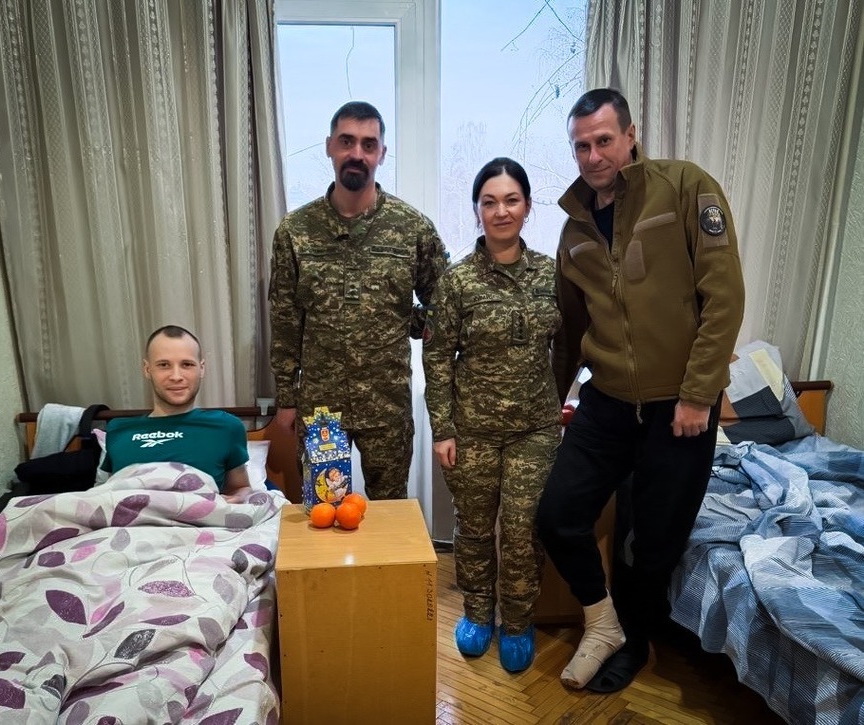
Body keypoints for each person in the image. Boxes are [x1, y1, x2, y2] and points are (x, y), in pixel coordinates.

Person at [536, 88, 745, 692]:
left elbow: (723, 296)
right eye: (581, 146)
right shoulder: (574, 228)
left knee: (651, 541)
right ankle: (603, 624)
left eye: (604, 140)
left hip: (678, 406)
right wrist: (553, 400)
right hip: (606, 402)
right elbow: (571, 329)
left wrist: (699, 394)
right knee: (558, 515)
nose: (593, 156)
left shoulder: (684, 188)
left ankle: (633, 641)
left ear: (630, 136)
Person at [269, 101, 448, 500]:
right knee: (324, 509)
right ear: (329, 146)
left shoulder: (412, 228)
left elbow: (444, 304)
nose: (357, 153)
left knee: (390, 513)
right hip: (322, 408)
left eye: (369, 144)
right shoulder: (295, 231)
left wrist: (408, 321)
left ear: (381, 153)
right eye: (347, 141)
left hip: (387, 405)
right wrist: (286, 398)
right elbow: (284, 319)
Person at [423, 158, 561, 673]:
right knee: (476, 528)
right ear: (477, 210)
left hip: (535, 429)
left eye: (511, 200)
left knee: (523, 529)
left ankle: (518, 622)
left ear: (527, 206)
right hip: (472, 430)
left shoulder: (551, 274)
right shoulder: (457, 281)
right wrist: (443, 429)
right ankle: (479, 612)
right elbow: (437, 357)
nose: (501, 211)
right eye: (489, 201)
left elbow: (571, 342)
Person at [101, 325, 252, 502]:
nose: (176, 376)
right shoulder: (118, 430)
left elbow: (240, 488)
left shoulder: (226, 427)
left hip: (198, 518)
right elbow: (108, 495)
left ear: (201, 368)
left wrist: (236, 499)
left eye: (187, 364)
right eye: (164, 365)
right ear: (147, 369)